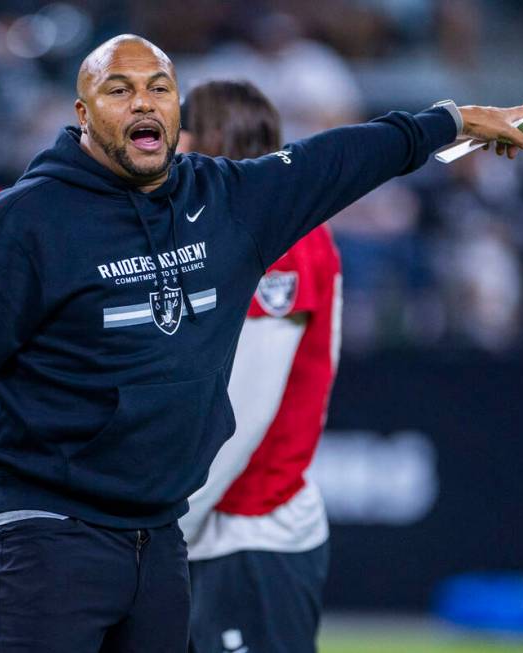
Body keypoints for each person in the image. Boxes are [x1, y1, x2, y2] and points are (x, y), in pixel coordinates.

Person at [0, 33, 523, 653]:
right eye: (119, 90)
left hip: (162, 538)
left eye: (160, 87)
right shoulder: (20, 224)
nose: (143, 101)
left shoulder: (226, 201)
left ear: (177, 106)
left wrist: (452, 121)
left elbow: (344, 156)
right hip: (46, 533)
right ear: (82, 113)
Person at [175, 80, 339, 653]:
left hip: (246, 530)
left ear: (202, 139)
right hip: (215, 529)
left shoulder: (281, 238)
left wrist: (166, 528)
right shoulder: (222, 229)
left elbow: (242, 416)